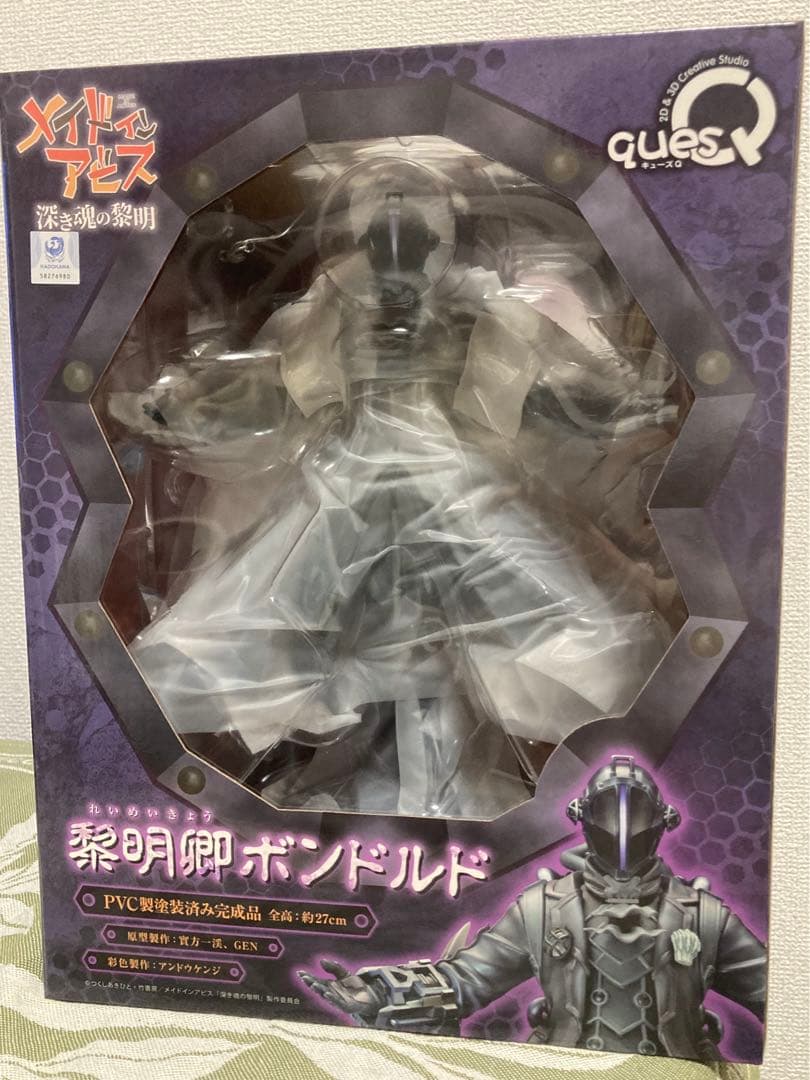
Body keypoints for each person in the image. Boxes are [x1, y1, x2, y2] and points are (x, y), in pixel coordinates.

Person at [299, 755, 766, 1061]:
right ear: (584, 817)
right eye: (607, 812)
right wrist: (381, 990)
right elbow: (466, 979)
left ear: (662, 821)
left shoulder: (704, 916)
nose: (622, 828)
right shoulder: (543, 908)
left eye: (637, 813)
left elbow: (777, 996)